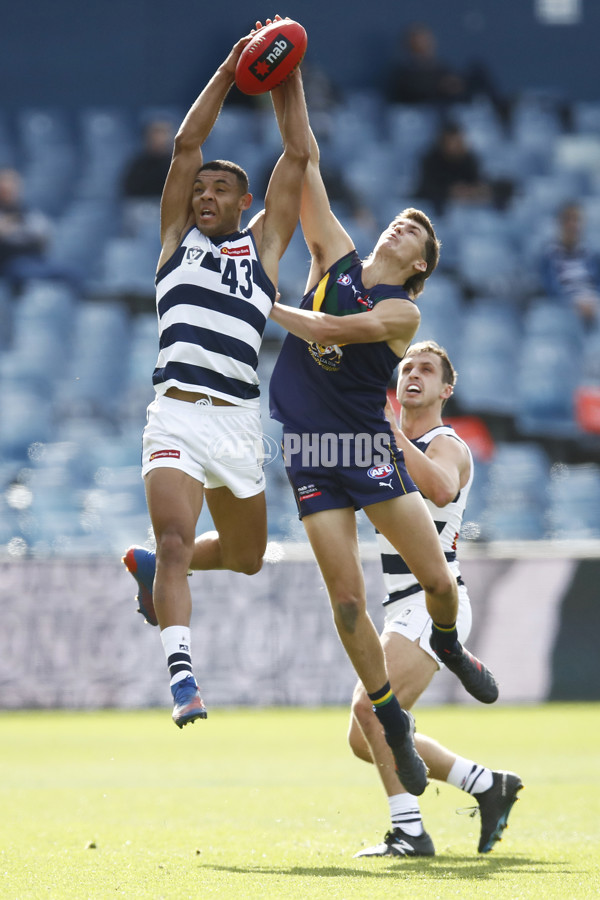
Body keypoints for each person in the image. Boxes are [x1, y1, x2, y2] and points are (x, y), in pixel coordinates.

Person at [267, 120, 498, 797]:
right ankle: (420, 757)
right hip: (316, 450)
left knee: (439, 585)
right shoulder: (333, 258)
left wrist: (264, 304)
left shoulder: (403, 316)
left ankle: (451, 646)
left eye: (414, 233)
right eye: (396, 222)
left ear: (421, 264)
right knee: (349, 632)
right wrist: (285, 67)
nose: (399, 229)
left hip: (369, 460)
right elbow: (303, 159)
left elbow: (333, 330)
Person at [122, 19, 310, 729]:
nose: (203, 192)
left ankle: (150, 568)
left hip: (235, 419)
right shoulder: (177, 245)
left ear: (242, 202)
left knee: (247, 555)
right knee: (175, 538)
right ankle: (181, 678)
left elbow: (298, 155)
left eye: (219, 187)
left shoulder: (262, 251)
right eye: (198, 187)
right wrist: (234, 71)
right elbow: (185, 145)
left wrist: (285, 72)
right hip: (175, 411)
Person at [348, 341, 523, 858]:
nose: (413, 375)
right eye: (406, 368)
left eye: (426, 370)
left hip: (434, 601)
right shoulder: (388, 442)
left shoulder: (448, 443)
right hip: (398, 604)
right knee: (366, 736)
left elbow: (442, 490)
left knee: (371, 709)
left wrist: (392, 433)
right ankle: (486, 784)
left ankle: (410, 831)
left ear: (447, 389)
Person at [0, 167, 76, 290]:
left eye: (13, 182)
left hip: (35, 260)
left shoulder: (29, 213)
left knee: (71, 272)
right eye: (5, 183)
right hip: (10, 264)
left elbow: (43, 236)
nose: (9, 187)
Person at [539, 201, 600, 329]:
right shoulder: (548, 256)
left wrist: (592, 301)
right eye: (567, 219)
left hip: (594, 303)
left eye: (576, 220)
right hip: (565, 307)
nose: (572, 225)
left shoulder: (592, 254)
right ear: (559, 223)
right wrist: (574, 304)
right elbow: (550, 288)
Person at [414, 122, 495, 215]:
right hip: (437, 211)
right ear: (443, 142)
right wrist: (449, 191)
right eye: (452, 141)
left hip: (467, 209)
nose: (457, 145)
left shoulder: (469, 159)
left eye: (459, 141)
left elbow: (477, 181)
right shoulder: (430, 160)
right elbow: (426, 188)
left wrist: (472, 190)